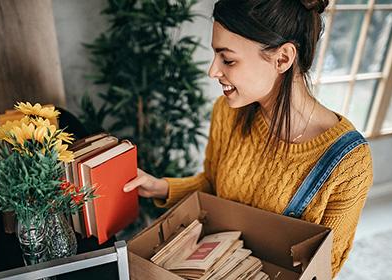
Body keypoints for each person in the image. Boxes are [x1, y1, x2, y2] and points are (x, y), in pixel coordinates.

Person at [123, 0, 373, 278]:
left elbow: (327, 265)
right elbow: (212, 185)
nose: (213, 71)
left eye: (227, 59)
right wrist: (159, 187)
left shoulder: (349, 163)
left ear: (283, 59)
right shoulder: (227, 112)